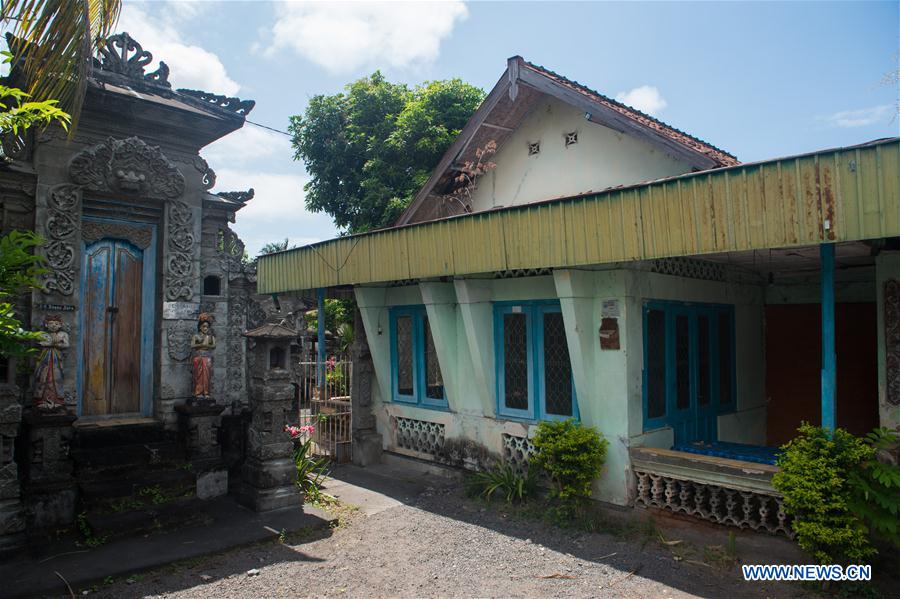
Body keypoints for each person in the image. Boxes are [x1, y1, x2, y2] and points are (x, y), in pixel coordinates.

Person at [33, 314, 69, 410]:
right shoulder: (42, 334)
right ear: (46, 325)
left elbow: (66, 345)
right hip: (44, 358)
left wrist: (51, 344)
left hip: (57, 359)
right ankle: (42, 400)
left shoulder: (63, 334)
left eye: (56, 324)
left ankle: (57, 400)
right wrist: (55, 343)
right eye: (51, 323)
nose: (54, 325)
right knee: (43, 377)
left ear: (60, 325)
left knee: (56, 378)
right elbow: (40, 343)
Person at [191, 314, 216, 401]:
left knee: (207, 375)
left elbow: (213, 345)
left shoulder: (210, 337)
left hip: (207, 357)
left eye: (207, 327)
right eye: (204, 326)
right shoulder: (196, 336)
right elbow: (193, 345)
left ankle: (206, 392)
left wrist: (203, 345)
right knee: (198, 375)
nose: (205, 328)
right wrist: (203, 344)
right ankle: (198, 392)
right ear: (200, 327)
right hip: (198, 357)